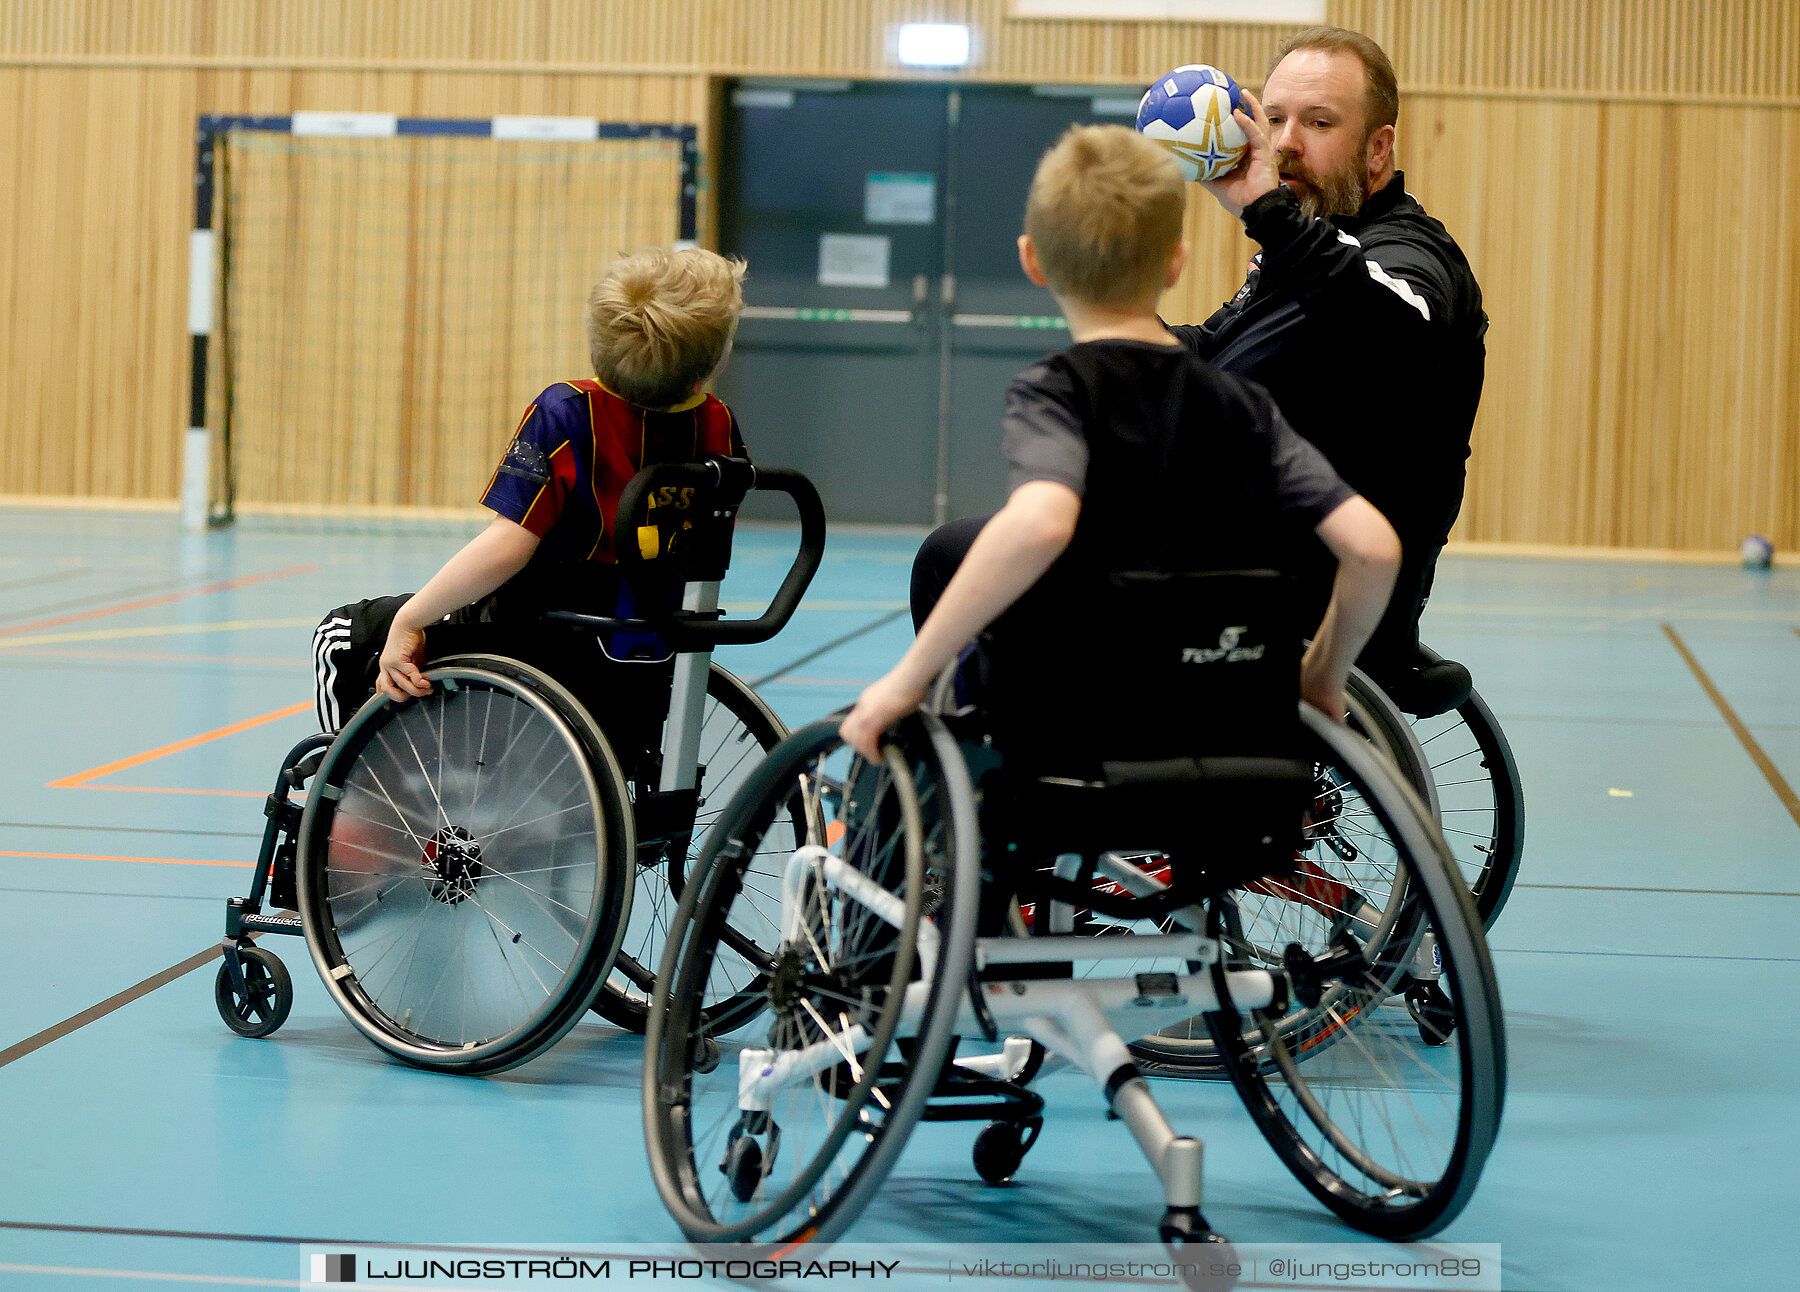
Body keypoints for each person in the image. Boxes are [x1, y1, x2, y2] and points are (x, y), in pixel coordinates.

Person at [842, 124, 1399, 761]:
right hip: (1227, 707)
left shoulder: (1056, 392)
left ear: (1033, 260)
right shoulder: (1247, 405)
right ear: (1175, 261)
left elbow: (1039, 526)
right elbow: (1375, 550)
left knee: (951, 565)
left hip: (1082, 713)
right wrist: (1322, 677)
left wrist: (904, 682)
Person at [311, 245, 748, 767]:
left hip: (531, 644)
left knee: (340, 635)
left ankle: (364, 799)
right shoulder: (719, 427)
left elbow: (508, 546)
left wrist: (411, 620)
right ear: (714, 361)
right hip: (645, 660)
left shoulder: (567, 413)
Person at [1174, 25, 1488, 713]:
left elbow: (1392, 329)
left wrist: (1268, 213)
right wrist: (1117, 332)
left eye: (1318, 122)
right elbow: (1214, 345)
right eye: (1275, 118)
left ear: (1378, 148)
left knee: (963, 561)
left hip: (1297, 585)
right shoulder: (1306, 251)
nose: (1285, 142)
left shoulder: (1406, 254)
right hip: (1230, 551)